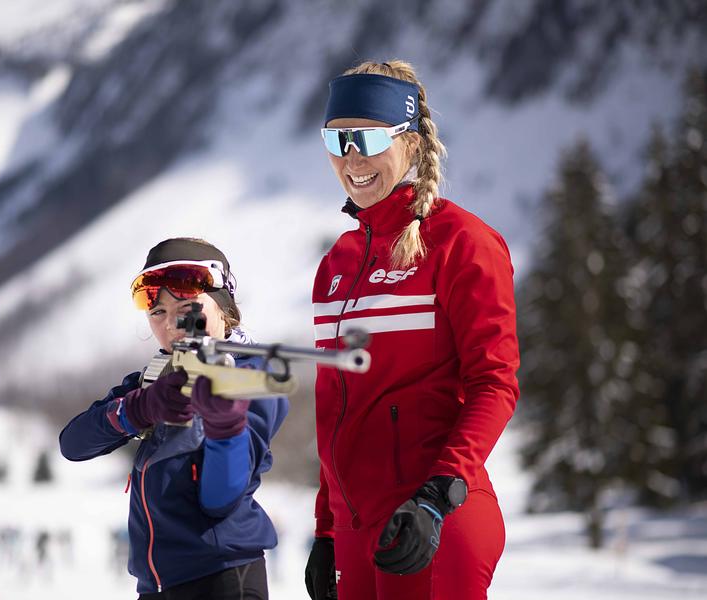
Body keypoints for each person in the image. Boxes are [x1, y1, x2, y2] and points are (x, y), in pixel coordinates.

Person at [304, 60, 520, 600]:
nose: (352, 157)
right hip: (356, 528)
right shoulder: (337, 264)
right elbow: (336, 407)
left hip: (433, 516)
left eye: (370, 137)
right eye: (338, 138)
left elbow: (496, 384)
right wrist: (327, 528)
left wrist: (435, 496)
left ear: (414, 146)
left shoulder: (462, 242)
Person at [60, 238, 288, 599]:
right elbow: (73, 444)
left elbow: (220, 500)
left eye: (187, 308)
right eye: (157, 313)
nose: (172, 324)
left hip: (222, 579)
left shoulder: (249, 377)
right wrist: (137, 409)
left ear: (224, 308)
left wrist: (224, 427)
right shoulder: (157, 375)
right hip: (156, 585)